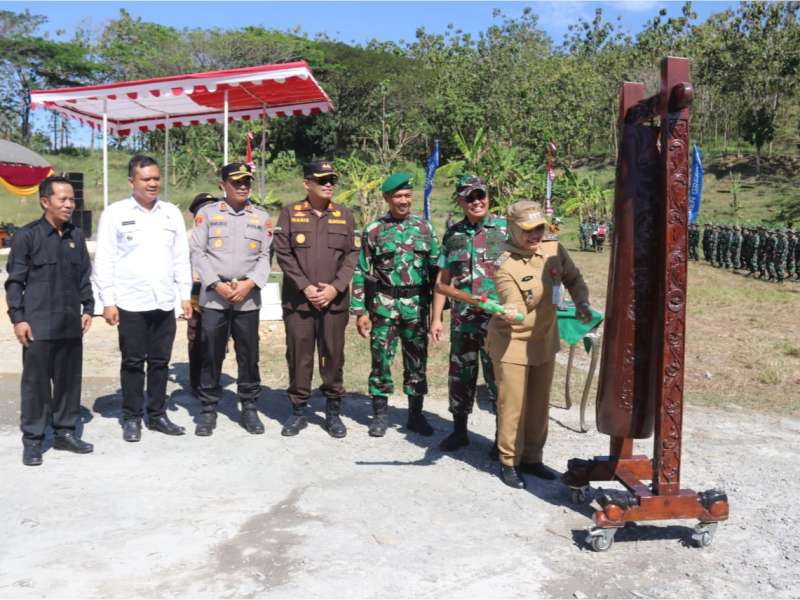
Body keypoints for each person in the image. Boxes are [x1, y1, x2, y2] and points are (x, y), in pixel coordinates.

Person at [487, 200, 592, 489]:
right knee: (513, 406)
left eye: (539, 229)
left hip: (543, 340)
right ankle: (509, 461)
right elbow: (513, 300)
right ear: (512, 229)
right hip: (513, 343)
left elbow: (573, 278)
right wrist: (510, 309)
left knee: (538, 404)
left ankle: (533, 458)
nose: (535, 235)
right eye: (527, 231)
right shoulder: (504, 264)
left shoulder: (554, 250)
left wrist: (582, 301)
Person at [93, 155, 192, 442]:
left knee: (160, 361)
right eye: (146, 179)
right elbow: (105, 259)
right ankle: (132, 417)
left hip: (164, 300)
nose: (152, 183)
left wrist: (184, 295)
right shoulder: (115, 213)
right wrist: (108, 301)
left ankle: (158, 414)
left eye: (156, 178)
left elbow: (180, 257)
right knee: (133, 361)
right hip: (130, 301)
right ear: (131, 181)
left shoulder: (171, 213)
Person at [5, 176, 95, 466]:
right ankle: (32, 440)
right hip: (38, 324)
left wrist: (88, 308)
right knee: (36, 385)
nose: (70, 205)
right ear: (45, 201)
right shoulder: (27, 236)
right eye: (63, 199)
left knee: (69, 382)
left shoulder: (76, 236)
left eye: (72, 199)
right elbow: (15, 282)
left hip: (70, 322)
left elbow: (83, 276)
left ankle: (64, 433)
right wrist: (18, 319)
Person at [272, 160, 359, 438]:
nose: (329, 184)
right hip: (299, 302)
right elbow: (283, 253)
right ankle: (298, 411)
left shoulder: (345, 215)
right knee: (300, 357)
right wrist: (306, 287)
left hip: (334, 303)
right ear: (307, 183)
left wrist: (335, 288)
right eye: (322, 180)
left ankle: (333, 413)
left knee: (333, 356)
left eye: (332, 179)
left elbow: (351, 256)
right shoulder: (289, 214)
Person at [351, 172, 440, 437]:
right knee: (380, 360)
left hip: (416, 306)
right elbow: (361, 271)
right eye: (397, 196)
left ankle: (415, 415)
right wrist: (359, 311)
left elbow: (438, 273)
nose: (403, 201)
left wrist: (438, 313)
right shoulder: (374, 230)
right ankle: (380, 415)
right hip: (383, 306)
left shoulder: (425, 229)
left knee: (417, 362)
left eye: (407, 196)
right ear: (388, 198)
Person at [189, 163, 272, 436]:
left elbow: (265, 257)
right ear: (222, 185)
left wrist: (249, 284)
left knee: (249, 355)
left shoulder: (261, 216)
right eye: (236, 182)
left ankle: (249, 407)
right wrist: (216, 284)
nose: (243, 186)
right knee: (211, 353)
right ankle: (208, 410)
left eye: (246, 181)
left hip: (247, 298)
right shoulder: (207, 214)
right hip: (215, 297)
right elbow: (198, 253)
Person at [431, 175, 506, 451]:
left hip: (496, 321)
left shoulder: (504, 229)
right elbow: (444, 276)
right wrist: (437, 317)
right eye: (470, 197)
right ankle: (459, 431)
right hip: (463, 320)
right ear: (461, 201)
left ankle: (503, 439)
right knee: (460, 375)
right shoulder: (454, 234)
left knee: (498, 378)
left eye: (481, 195)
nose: (477, 202)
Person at [187, 192, 217, 397]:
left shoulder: (222, 232)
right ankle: (196, 382)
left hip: (218, 291)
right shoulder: (189, 235)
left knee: (215, 339)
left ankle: (213, 379)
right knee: (197, 338)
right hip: (197, 292)